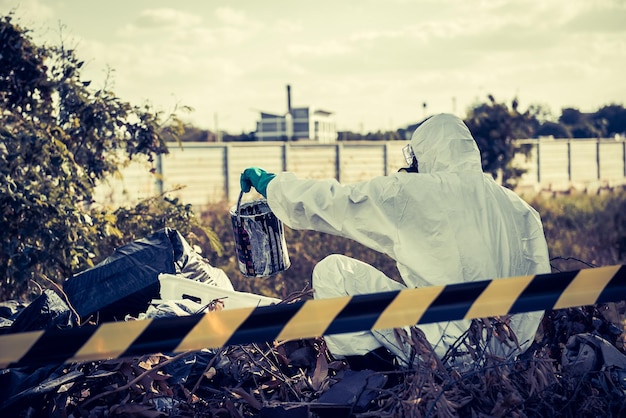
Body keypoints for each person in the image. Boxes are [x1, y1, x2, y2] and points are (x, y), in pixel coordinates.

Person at [240, 113, 550, 369]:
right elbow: (540, 290)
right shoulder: (519, 208)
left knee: (333, 271)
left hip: (442, 348)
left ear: (425, 152)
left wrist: (274, 185)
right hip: (506, 353)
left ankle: (372, 376)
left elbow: (336, 202)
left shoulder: (416, 192)